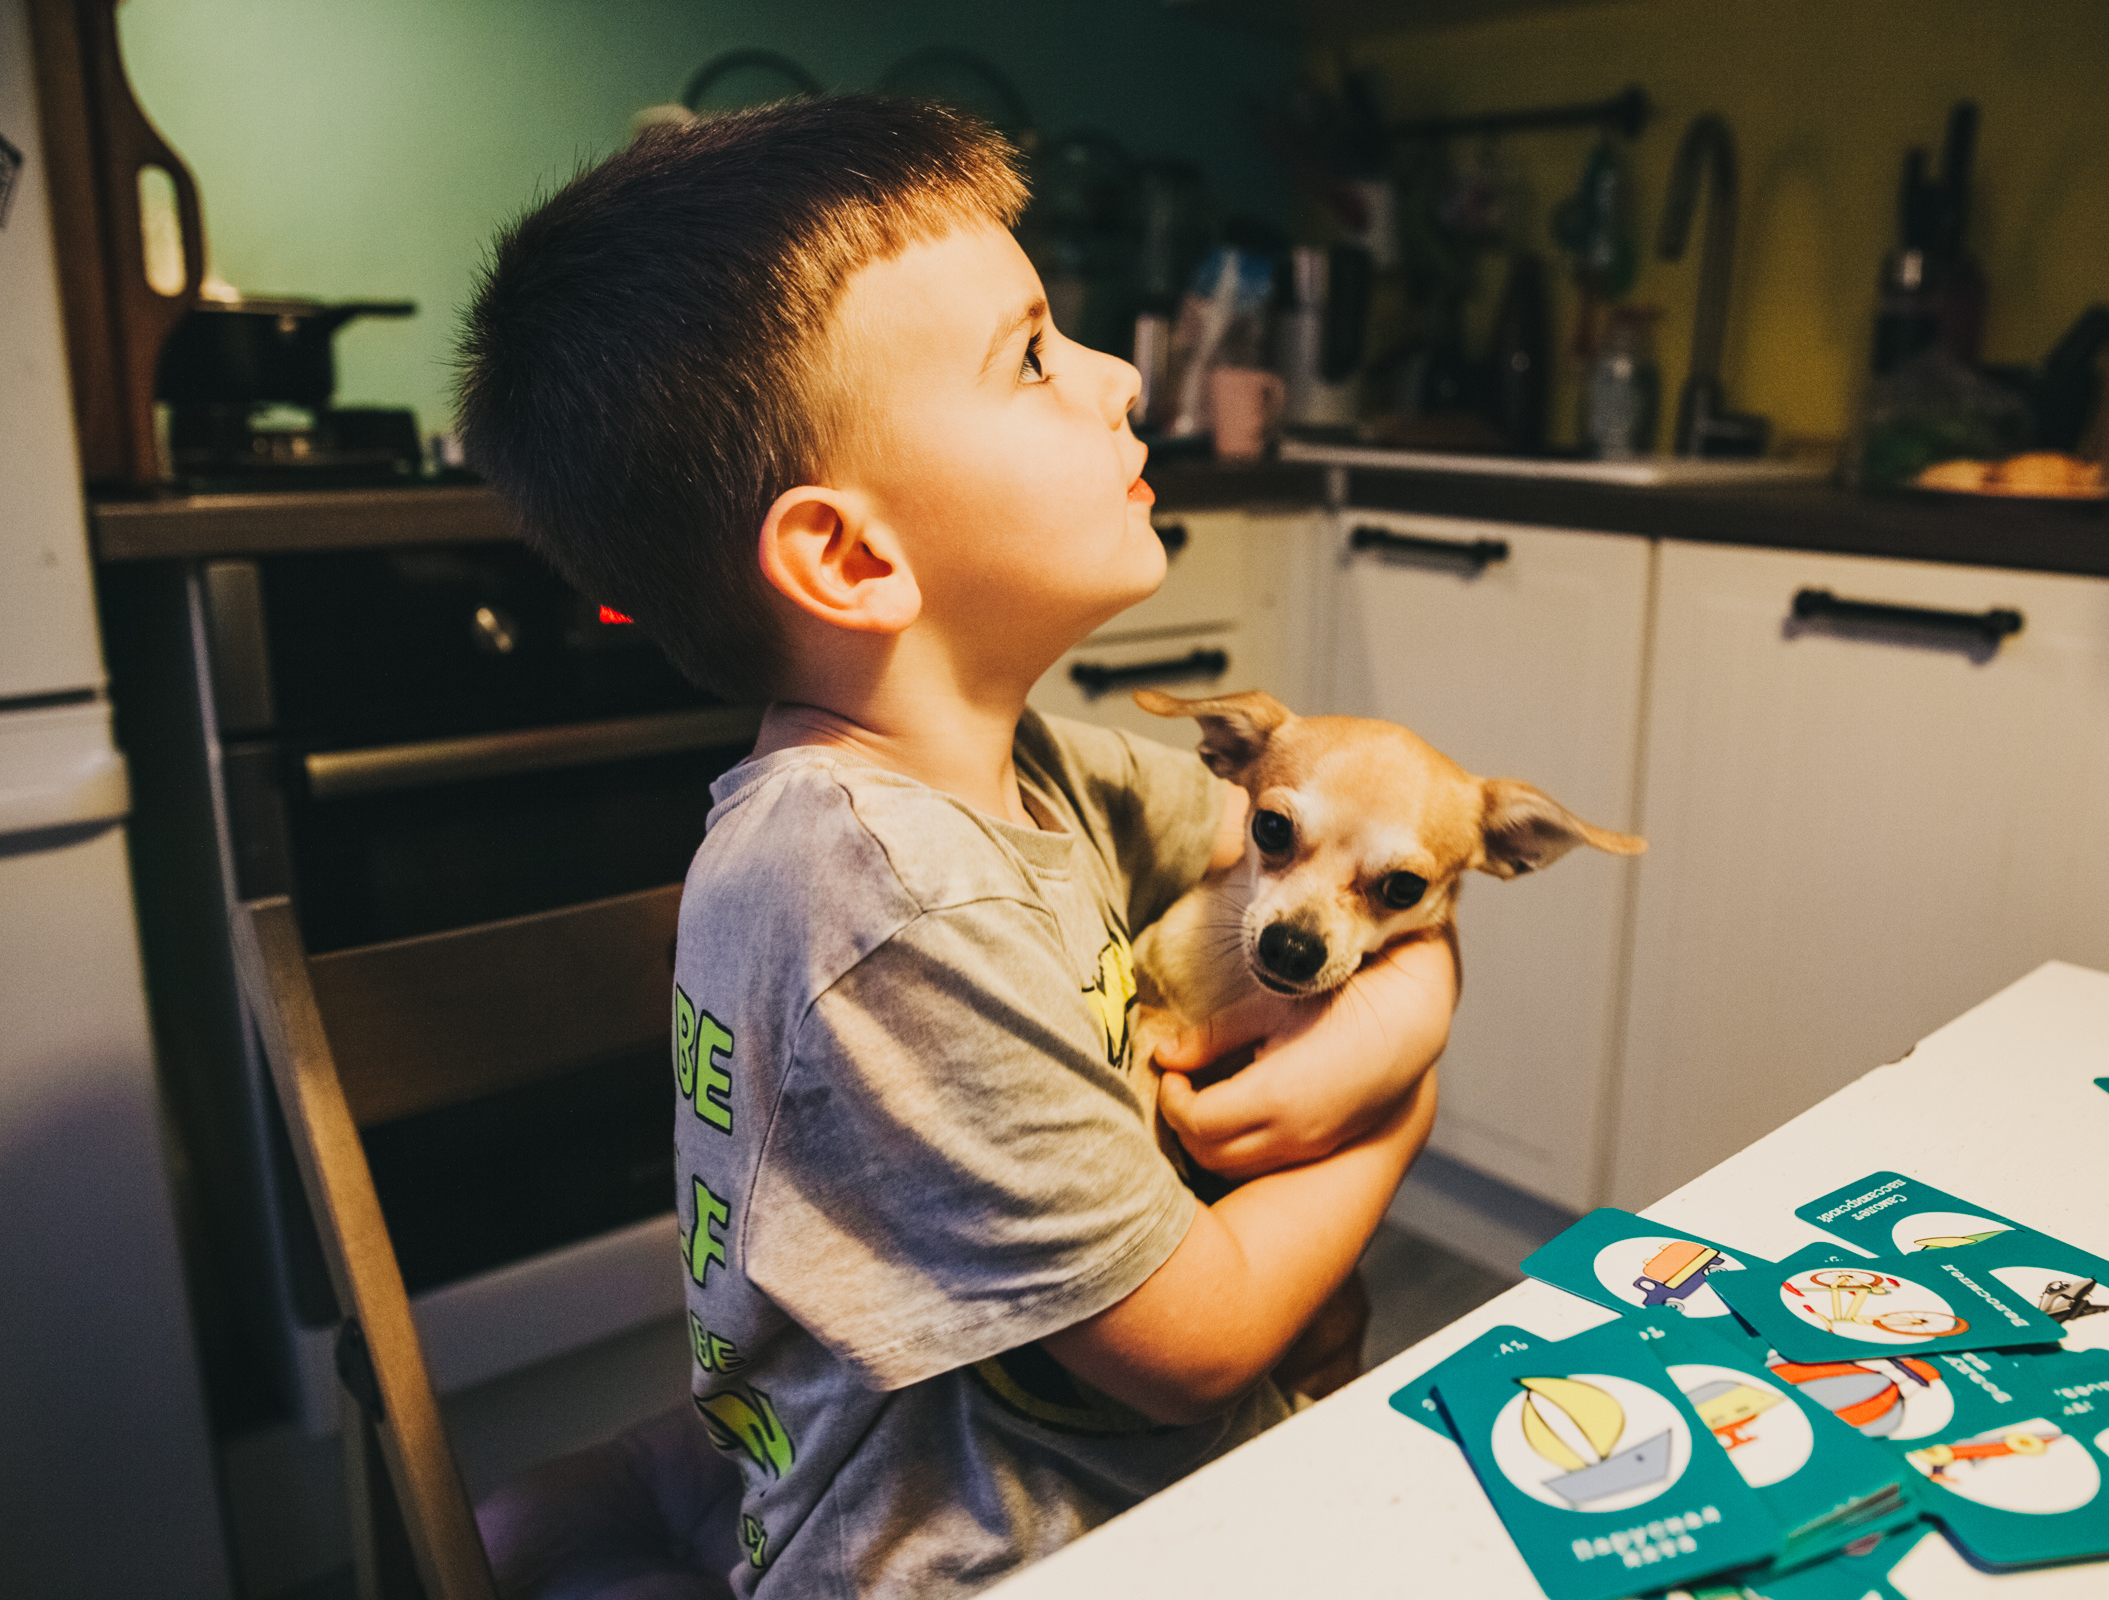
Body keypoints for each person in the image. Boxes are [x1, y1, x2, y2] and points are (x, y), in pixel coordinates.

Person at [456, 95, 1454, 1599]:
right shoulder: (886, 890)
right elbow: (1199, 1350)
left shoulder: (1018, 764)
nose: (1120, 376)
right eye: (1035, 355)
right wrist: (1396, 1118)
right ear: (852, 557)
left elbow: (1356, 875)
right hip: (993, 1551)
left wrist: (1402, 1014)